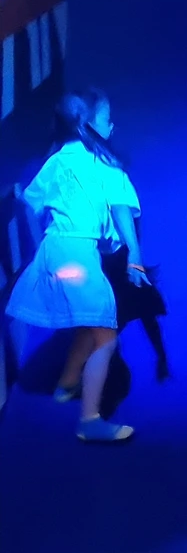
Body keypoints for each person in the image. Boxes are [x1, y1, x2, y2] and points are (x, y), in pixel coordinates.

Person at [5, 90, 149, 443]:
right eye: (106, 119)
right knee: (105, 337)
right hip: (79, 256)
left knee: (89, 323)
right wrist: (135, 256)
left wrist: (41, 246)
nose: (111, 126)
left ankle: (67, 383)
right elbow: (121, 210)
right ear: (88, 124)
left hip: (56, 253)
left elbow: (30, 203)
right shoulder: (104, 163)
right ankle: (90, 420)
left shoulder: (57, 161)